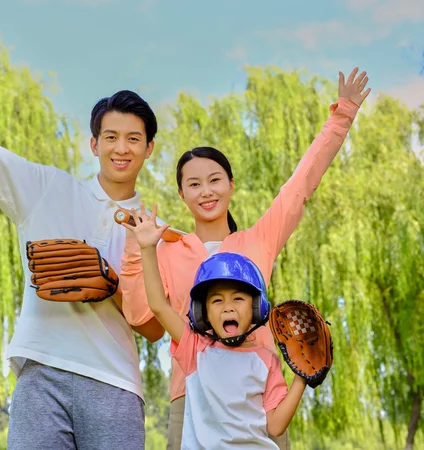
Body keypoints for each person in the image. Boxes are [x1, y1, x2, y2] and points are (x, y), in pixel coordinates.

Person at [0, 8, 164, 449]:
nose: (122, 148)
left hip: (114, 382)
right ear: (94, 144)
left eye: (134, 138)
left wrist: (111, 283)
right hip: (41, 370)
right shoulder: (47, 189)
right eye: (111, 137)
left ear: (149, 148)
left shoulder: (155, 231)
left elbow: (155, 328)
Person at [119, 68, 371, 449]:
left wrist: (342, 115)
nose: (206, 191)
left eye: (215, 179)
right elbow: (141, 315)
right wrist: (137, 246)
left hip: (259, 394)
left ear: (231, 185)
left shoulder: (258, 240)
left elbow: (301, 185)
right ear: (182, 193)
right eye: (194, 183)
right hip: (192, 396)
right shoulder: (165, 248)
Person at [120, 240, 307, 448]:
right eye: (217, 301)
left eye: (238, 299)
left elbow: (275, 426)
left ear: (255, 307)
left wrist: (301, 379)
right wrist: (147, 247)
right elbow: (158, 305)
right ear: (204, 313)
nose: (228, 308)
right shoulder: (196, 349)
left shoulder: (267, 361)